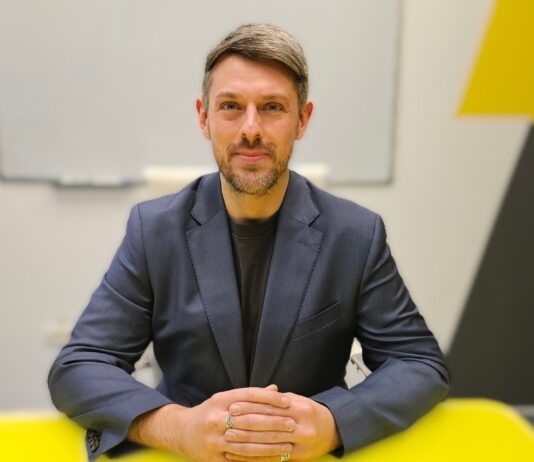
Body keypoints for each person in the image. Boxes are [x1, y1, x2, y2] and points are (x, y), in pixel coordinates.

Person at [48, 23, 449, 462]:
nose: (251, 129)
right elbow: (79, 366)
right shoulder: (154, 230)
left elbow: (418, 363)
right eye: (231, 107)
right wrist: (177, 428)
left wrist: (334, 423)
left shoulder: (355, 234)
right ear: (204, 117)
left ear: (302, 119)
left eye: (272, 107)